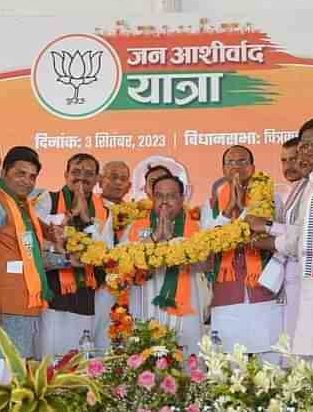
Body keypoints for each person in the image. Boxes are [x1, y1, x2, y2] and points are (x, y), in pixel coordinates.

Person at [0, 146, 62, 359]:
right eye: (20, 173)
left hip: (22, 309)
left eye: (32, 177)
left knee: (13, 383)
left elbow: (29, 258)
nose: (26, 181)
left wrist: (66, 260)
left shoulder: (23, 207)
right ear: (5, 172)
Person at [201, 145, 282, 362]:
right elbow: (207, 244)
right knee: (230, 367)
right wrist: (229, 209)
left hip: (265, 291)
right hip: (227, 294)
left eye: (242, 162)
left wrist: (246, 212)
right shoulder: (210, 205)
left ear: (253, 167)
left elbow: (281, 235)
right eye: (231, 162)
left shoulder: (272, 200)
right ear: (223, 169)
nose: (236, 167)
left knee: (271, 363)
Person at [38, 153, 111, 357]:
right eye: (76, 172)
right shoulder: (47, 199)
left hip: (86, 292)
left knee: (79, 353)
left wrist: (86, 218)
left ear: (97, 179)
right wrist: (71, 213)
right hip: (53, 289)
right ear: (65, 175)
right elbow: (40, 240)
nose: (81, 178)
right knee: (49, 353)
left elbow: (104, 251)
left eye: (89, 174)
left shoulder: (105, 211)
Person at [126, 175, 209, 355]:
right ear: (152, 198)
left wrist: (173, 240)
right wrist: (155, 237)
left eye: (170, 196)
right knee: (144, 370)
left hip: (186, 313)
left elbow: (206, 264)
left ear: (182, 198)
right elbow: (125, 266)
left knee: (188, 365)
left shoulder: (197, 228)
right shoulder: (135, 228)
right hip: (144, 309)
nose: (164, 201)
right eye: (159, 195)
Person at [246, 137, 311, 350]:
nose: (288, 165)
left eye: (294, 159)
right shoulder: (295, 189)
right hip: (290, 277)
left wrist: (267, 227)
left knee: (302, 345)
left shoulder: (312, 188)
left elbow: (306, 234)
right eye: (284, 160)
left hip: (305, 277)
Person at [93, 161, 132, 352]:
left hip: (128, 287)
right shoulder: (90, 206)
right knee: (97, 336)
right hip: (96, 285)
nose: (118, 183)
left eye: (123, 179)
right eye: (113, 177)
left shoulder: (137, 214)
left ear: (130, 186)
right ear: (100, 181)